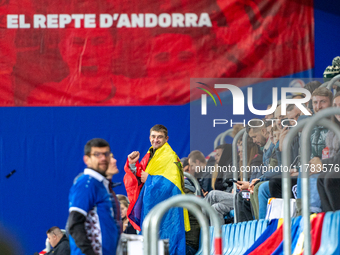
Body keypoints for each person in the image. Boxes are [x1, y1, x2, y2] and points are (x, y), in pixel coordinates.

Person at [123, 124, 189, 255]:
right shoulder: (151, 154)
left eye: (160, 137)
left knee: (166, 242)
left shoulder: (169, 156)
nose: (156, 140)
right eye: (153, 136)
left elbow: (172, 185)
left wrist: (151, 179)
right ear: (149, 137)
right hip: (152, 207)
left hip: (168, 212)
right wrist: (132, 164)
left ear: (166, 139)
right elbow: (139, 177)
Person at [68, 138, 120, 255]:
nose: (103, 158)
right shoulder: (87, 183)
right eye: (97, 154)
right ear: (87, 159)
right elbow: (74, 223)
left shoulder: (100, 184)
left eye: (106, 154)